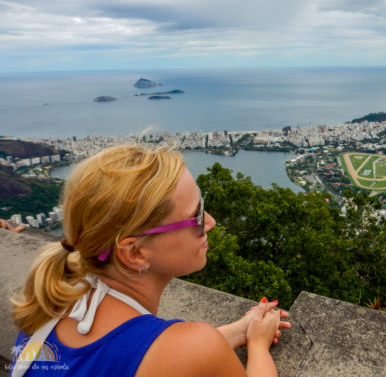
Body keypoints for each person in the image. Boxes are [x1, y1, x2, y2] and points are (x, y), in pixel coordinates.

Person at [9, 145, 290, 377]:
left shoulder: (52, 302)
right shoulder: (194, 348)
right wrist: (257, 344)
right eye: (196, 216)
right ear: (134, 253)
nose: (211, 222)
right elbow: (179, 356)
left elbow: (151, 357)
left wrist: (239, 331)